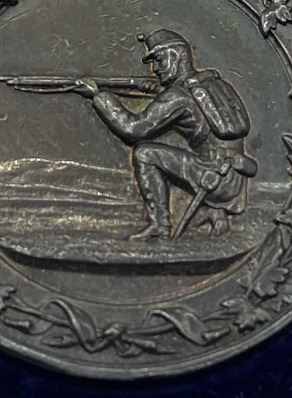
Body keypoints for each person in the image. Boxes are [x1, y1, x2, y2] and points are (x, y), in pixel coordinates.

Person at [76, 29, 256, 240]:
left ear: (177, 56)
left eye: (159, 60)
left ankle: (160, 225)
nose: (154, 69)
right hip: (235, 177)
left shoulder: (177, 96)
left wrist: (99, 97)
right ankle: (216, 213)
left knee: (144, 154)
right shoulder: (213, 84)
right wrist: (157, 91)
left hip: (212, 179)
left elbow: (133, 129)